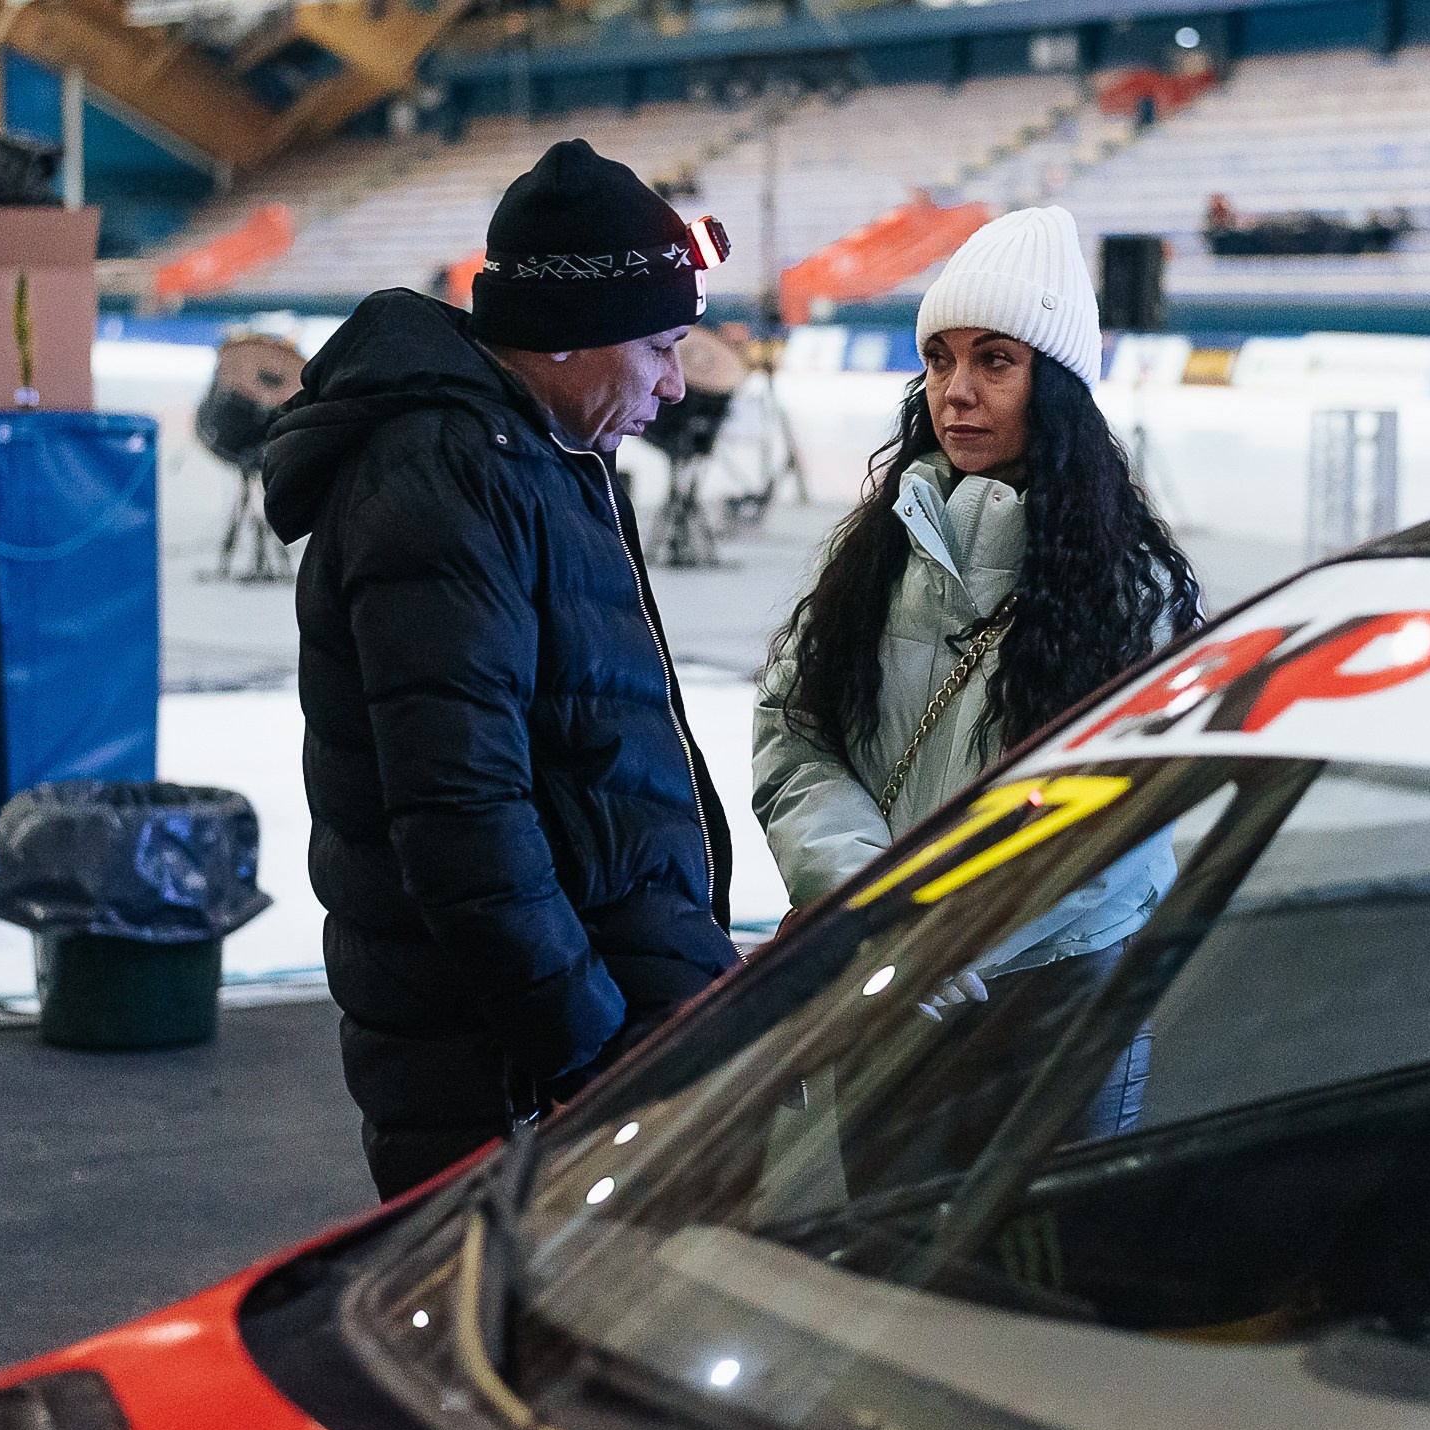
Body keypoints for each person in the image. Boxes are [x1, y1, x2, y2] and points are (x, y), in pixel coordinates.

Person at [263, 140, 739, 1199]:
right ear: (571, 340)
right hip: (510, 1056)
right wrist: (582, 1046)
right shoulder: (444, 473)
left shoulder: (545, 452)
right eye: (658, 346)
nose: (674, 382)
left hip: (591, 1004)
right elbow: (459, 808)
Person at [752, 205, 1200, 1136]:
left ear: (1059, 386)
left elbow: (1118, 810)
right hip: (883, 984)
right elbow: (796, 737)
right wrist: (868, 906)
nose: (957, 389)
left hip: (1058, 999)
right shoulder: (875, 552)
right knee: (876, 1261)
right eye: (940, 359)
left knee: (1039, 1272)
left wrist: (935, 935)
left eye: (995, 361)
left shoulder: (1132, 585)